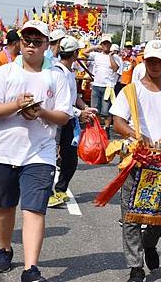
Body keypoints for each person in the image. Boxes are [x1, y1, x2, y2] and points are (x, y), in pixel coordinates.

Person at [0, 20, 72, 282]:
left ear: (47, 45)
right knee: (5, 206)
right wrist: (16, 105)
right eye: (27, 40)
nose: (31, 45)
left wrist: (40, 111)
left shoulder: (56, 75)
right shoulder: (5, 72)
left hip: (40, 152)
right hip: (5, 151)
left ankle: (31, 269)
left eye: (37, 41)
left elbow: (64, 116)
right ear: (20, 42)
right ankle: (4, 248)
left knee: (34, 209)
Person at [109, 39, 161, 282]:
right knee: (131, 215)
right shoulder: (131, 90)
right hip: (136, 159)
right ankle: (135, 266)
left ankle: (149, 244)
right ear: (144, 61)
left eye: (159, 61)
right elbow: (118, 122)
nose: (154, 65)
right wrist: (135, 135)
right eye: (150, 60)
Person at [47, 36, 97, 208]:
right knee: (51, 158)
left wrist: (85, 108)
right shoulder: (57, 71)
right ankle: (48, 193)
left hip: (69, 120)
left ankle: (60, 190)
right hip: (56, 119)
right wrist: (79, 113)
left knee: (70, 159)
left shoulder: (69, 72)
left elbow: (74, 98)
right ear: (75, 53)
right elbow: (63, 102)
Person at [84, 35, 118, 133]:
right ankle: (97, 128)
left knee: (106, 110)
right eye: (104, 43)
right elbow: (85, 52)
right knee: (95, 109)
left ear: (110, 45)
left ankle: (106, 129)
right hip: (96, 85)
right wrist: (95, 47)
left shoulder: (115, 57)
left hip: (108, 87)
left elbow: (115, 68)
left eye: (107, 43)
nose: (106, 45)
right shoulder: (96, 55)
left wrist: (111, 56)